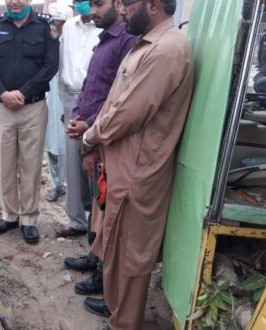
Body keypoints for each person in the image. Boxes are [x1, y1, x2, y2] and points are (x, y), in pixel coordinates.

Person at [80, 0, 194, 328]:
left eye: (128, 4)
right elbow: (116, 101)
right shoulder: (145, 45)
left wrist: (90, 138)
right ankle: (117, 314)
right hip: (123, 167)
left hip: (138, 172)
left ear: (153, 5)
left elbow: (128, 113)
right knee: (116, 246)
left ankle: (124, 323)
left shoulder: (167, 49)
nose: (124, 9)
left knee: (132, 256)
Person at [63, 0, 137, 300]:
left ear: (119, 4)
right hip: (90, 135)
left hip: (106, 139)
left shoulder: (127, 42)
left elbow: (117, 100)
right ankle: (94, 258)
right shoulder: (105, 39)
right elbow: (91, 87)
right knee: (96, 206)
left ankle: (103, 276)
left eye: (98, 3)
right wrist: (78, 116)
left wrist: (89, 126)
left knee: (106, 210)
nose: (92, 10)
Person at [0, 0, 59, 244]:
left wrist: (23, 92)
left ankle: (28, 219)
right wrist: (4, 93)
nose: (15, 1)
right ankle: (10, 215)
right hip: (1, 107)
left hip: (33, 107)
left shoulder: (44, 27)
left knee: (31, 165)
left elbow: (50, 65)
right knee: (4, 164)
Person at [55, 0, 101, 235]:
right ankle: (76, 221)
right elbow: (64, 67)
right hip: (72, 99)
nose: (81, 4)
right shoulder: (69, 27)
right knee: (73, 163)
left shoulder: (107, 28)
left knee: (96, 164)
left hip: (98, 100)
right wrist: (66, 106)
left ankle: (97, 226)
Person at [43, 2, 74, 203]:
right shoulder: (48, 39)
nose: (56, 26)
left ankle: (70, 184)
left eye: (59, 22)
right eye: (54, 22)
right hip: (48, 92)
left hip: (67, 92)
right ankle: (57, 183)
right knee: (51, 141)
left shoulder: (73, 39)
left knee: (66, 141)